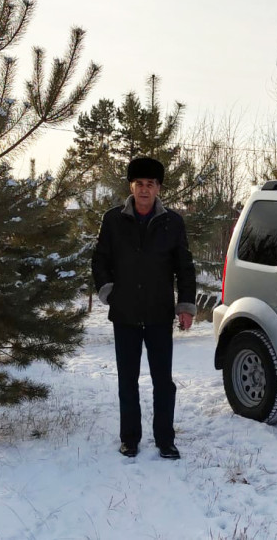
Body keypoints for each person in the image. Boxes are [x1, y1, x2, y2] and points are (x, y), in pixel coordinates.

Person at [91, 157, 196, 459]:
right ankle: (130, 438)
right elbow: (100, 259)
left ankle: (165, 439)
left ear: (158, 188)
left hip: (159, 314)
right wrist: (108, 292)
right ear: (131, 186)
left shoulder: (172, 222)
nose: (144, 189)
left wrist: (185, 306)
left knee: (163, 381)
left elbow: (184, 267)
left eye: (150, 184)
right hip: (124, 314)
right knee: (128, 380)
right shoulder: (113, 220)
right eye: (139, 184)